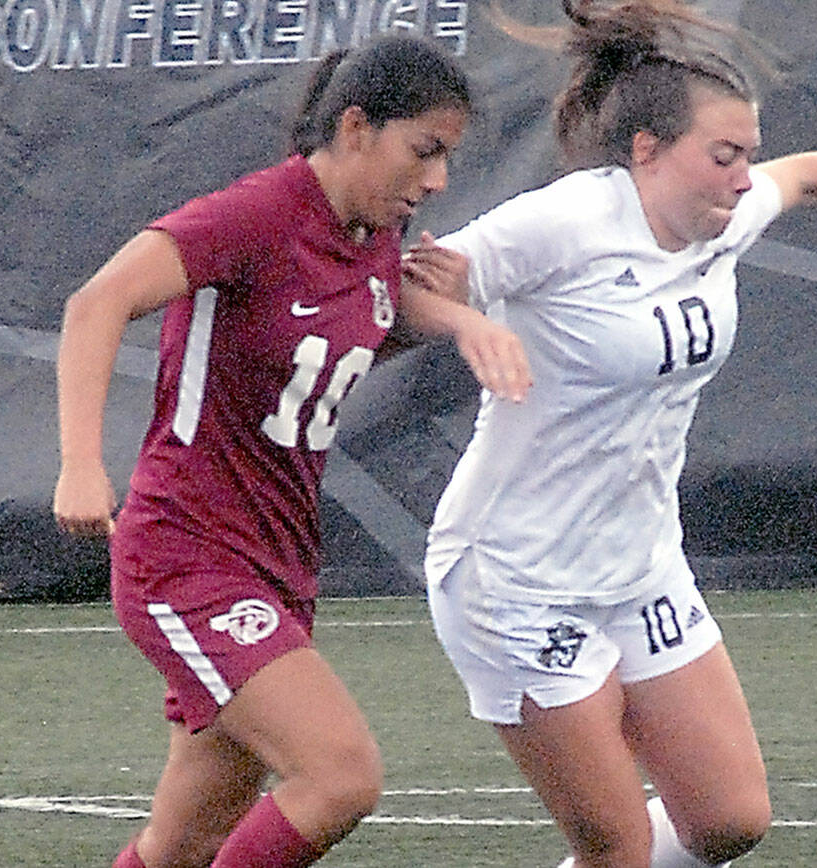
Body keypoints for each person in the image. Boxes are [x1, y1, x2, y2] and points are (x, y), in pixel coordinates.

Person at [417, 2, 817, 867]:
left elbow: (806, 173)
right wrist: (465, 322)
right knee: (619, 850)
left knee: (727, 820)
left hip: (638, 566)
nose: (744, 179)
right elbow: (411, 288)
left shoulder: (721, 212)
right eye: (724, 155)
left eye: (746, 153)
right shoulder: (565, 223)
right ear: (646, 151)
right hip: (515, 581)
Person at [52, 34, 524, 868]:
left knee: (184, 843)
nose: (438, 180)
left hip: (277, 562)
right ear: (354, 127)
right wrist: (81, 465)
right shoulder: (255, 215)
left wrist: (454, 319)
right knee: (340, 776)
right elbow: (98, 301)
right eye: (425, 150)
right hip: (187, 554)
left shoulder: (369, 234)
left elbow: (343, 334)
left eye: (447, 157)